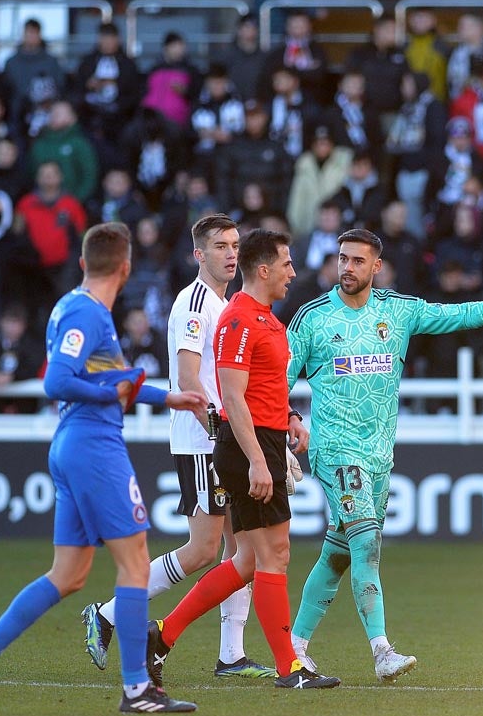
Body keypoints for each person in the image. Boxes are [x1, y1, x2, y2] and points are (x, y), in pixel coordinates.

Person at [285, 229, 483, 681]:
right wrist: (284, 426)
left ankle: (294, 646)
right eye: (343, 259)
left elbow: (461, 315)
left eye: (358, 261)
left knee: (339, 551)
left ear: (376, 266)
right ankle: (381, 651)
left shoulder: (398, 312)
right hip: (335, 449)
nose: (348, 268)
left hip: (379, 453)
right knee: (366, 542)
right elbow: (279, 377)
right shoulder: (313, 318)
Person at [0, 222, 207, 715]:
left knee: (67, 574)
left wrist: (167, 396)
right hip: (94, 448)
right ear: (127, 269)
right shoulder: (88, 316)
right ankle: (137, 689)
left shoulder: (75, 309)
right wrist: (112, 393)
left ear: (86, 263)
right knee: (134, 565)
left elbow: (112, 380)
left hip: (71, 446)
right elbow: (60, 381)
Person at [145, 228, 341, 691]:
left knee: (250, 560)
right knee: (274, 554)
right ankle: (288, 667)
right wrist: (256, 459)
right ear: (265, 269)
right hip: (245, 445)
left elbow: (262, 389)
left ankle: (163, 635)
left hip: (265, 440)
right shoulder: (239, 320)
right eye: (287, 264)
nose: (295, 272)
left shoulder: (268, 320)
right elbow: (231, 397)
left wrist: (289, 417)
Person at [80, 215, 275, 680]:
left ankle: (231, 654)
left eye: (234, 245)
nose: (231, 253)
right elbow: (188, 378)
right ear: (198, 255)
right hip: (202, 441)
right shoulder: (194, 305)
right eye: (220, 246)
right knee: (204, 550)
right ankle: (107, 613)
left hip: (222, 438)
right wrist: (219, 430)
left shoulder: (228, 304)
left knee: (243, 548)